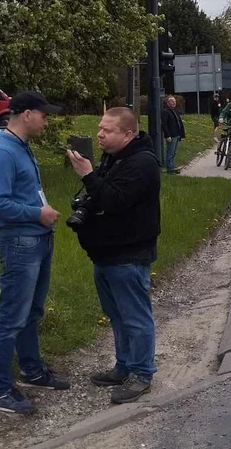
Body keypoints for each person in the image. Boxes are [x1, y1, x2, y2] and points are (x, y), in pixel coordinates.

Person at [0, 92, 71, 415]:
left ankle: (32, 371)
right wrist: (37, 214)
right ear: (27, 114)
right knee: (11, 318)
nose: (47, 121)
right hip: (20, 243)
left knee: (32, 312)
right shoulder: (2, 152)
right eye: (44, 115)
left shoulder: (20, 147)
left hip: (38, 240)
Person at [66, 108, 161, 403]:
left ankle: (143, 375)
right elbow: (100, 197)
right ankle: (123, 366)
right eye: (99, 128)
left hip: (128, 253)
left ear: (128, 134)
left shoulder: (142, 163)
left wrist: (88, 175)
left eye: (108, 130)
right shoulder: (114, 158)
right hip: (105, 253)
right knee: (117, 317)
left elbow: (115, 201)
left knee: (135, 318)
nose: (100, 134)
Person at [161, 96, 185, 175]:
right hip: (171, 135)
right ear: (167, 103)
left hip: (177, 134)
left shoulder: (174, 111)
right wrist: (167, 135)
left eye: (174, 101)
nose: (174, 103)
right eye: (172, 101)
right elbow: (164, 125)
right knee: (170, 152)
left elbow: (179, 123)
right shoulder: (166, 112)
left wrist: (181, 134)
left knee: (173, 152)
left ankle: (171, 167)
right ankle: (170, 169)